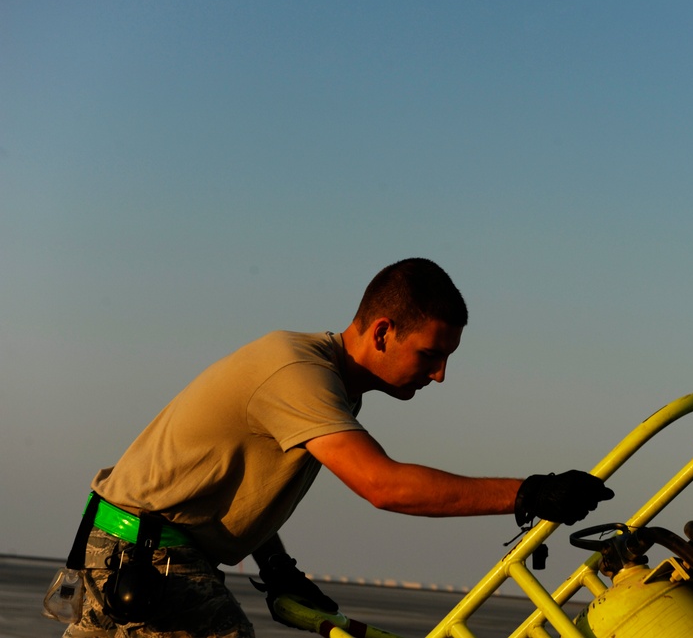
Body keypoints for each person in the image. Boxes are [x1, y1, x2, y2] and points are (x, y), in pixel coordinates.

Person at [57, 258, 614, 638]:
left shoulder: (327, 385)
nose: (441, 375)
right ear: (381, 332)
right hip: (148, 560)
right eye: (430, 355)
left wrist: (277, 567)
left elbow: (222, 481)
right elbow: (383, 485)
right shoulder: (300, 375)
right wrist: (531, 492)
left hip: (130, 548)